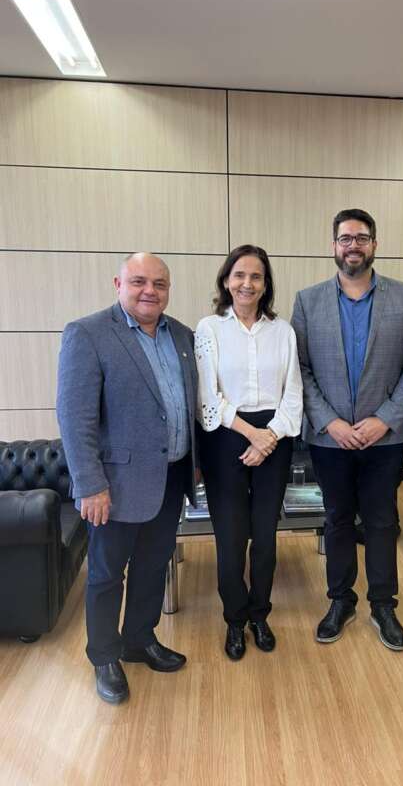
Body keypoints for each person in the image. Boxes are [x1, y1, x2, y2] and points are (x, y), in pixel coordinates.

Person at [56, 252, 200, 704]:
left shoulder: (181, 335)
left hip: (171, 476)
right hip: (114, 486)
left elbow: (184, 404)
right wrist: (90, 484)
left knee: (153, 566)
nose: (149, 291)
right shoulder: (89, 333)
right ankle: (104, 656)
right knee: (105, 574)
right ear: (117, 283)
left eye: (159, 283)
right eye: (138, 281)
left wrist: (193, 461)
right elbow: (74, 417)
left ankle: (140, 639)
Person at [291, 208, 403, 651]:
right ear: (333, 246)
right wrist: (331, 422)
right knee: (335, 520)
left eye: (362, 238)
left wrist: (383, 418)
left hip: (384, 438)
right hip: (329, 438)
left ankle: (384, 604)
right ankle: (340, 600)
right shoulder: (307, 301)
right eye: (345, 238)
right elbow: (300, 370)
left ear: (375, 244)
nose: (353, 245)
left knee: (382, 520)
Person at [195, 244, 302, 661]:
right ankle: (235, 620)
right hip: (226, 437)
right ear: (226, 280)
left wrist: (268, 437)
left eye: (256, 276)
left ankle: (260, 614)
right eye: (239, 275)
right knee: (231, 538)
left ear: (265, 284)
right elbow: (208, 398)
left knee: (267, 539)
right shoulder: (209, 329)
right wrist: (251, 435)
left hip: (274, 438)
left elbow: (293, 395)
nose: (247, 283)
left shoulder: (284, 331)